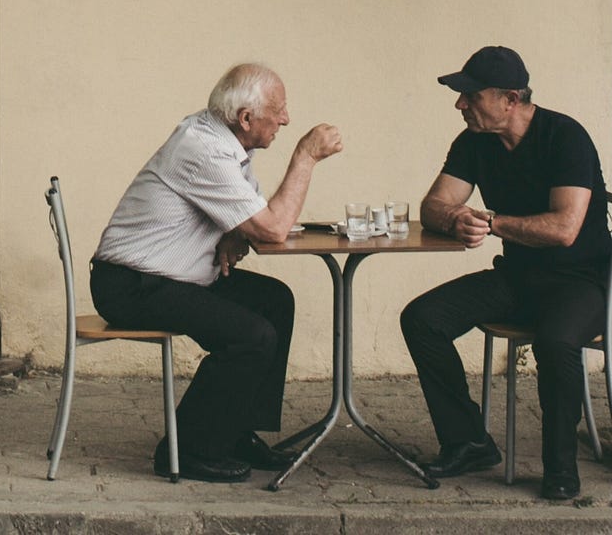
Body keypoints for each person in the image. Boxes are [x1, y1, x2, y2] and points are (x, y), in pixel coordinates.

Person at [90, 63, 343, 482]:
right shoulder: (203, 148)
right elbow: (274, 227)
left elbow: (253, 218)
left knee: (274, 301)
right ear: (246, 118)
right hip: (131, 285)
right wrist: (305, 157)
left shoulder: (226, 144)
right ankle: (187, 449)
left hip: (170, 277)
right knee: (251, 335)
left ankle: (233, 430)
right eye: (278, 111)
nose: (285, 119)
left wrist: (233, 229)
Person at [401, 46, 611, 501]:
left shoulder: (565, 136)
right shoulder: (474, 142)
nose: (460, 105)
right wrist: (453, 218)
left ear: (510, 99)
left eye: (470, 96)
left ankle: (560, 467)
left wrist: (493, 222)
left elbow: (565, 228)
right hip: (518, 278)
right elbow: (433, 205)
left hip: (583, 280)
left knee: (556, 342)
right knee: (422, 318)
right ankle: (469, 442)